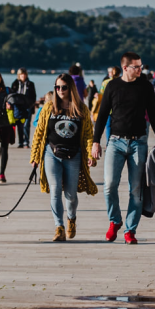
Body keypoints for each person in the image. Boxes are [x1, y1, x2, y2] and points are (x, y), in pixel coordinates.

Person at [92, 51, 155, 244]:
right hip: (115, 143)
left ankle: (130, 230)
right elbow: (101, 116)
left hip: (138, 142)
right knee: (109, 186)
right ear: (125, 68)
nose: (140, 70)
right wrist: (95, 141)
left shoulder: (146, 87)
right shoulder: (112, 86)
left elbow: (154, 114)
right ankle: (115, 221)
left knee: (136, 189)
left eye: (141, 66)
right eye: (137, 67)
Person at [30, 74, 99, 241]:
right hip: (51, 153)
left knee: (71, 195)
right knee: (55, 190)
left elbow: (89, 135)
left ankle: (71, 219)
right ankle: (58, 226)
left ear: (71, 89)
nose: (60, 90)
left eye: (64, 87)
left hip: (73, 155)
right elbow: (39, 134)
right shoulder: (48, 108)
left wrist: (90, 154)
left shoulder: (81, 109)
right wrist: (35, 157)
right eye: (57, 87)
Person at [10, 69, 37, 148]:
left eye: (24, 74)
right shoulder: (15, 84)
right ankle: (20, 142)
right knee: (19, 125)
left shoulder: (30, 84)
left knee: (26, 125)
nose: (23, 76)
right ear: (19, 75)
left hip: (27, 106)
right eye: (21, 74)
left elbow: (33, 96)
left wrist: (31, 104)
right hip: (18, 107)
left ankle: (26, 142)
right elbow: (12, 95)